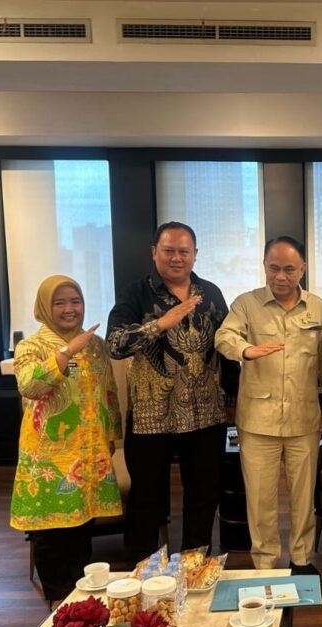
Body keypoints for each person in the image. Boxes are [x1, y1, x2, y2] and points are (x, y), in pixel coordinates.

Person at [106, 221, 235, 560]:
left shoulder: (211, 293)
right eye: (168, 250)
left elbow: (227, 347)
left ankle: (194, 566)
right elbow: (115, 345)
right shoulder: (136, 293)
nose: (176, 257)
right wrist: (160, 325)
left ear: (195, 254)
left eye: (183, 251)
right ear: (154, 252)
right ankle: (143, 572)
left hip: (206, 413)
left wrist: (233, 400)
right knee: (146, 498)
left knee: (204, 496)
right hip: (152, 417)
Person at [215, 236, 322, 573]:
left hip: (304, 419)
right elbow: (224, 336)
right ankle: (265, 563)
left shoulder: (317, 307)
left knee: (303, 496)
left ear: (302, 269)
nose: (280, 276)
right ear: (264, 267)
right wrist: (245, 350)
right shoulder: (247, 304)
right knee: (260, 501)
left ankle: (302, 560)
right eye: (273, 268)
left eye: (288, 269)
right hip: (258, 421)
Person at [11, 275, 122, 603]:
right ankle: (58, 602)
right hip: (50, 457)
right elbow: (29, 386)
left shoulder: (96, 345)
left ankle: (80, 601)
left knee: (82, 529)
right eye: (59, 303)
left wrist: (111, 434)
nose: (69, 309)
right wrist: (66, 353)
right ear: (45, 307)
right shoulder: (31, 346)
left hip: (89, 452)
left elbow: (108, 392)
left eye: (75, 301)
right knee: (51, 534)